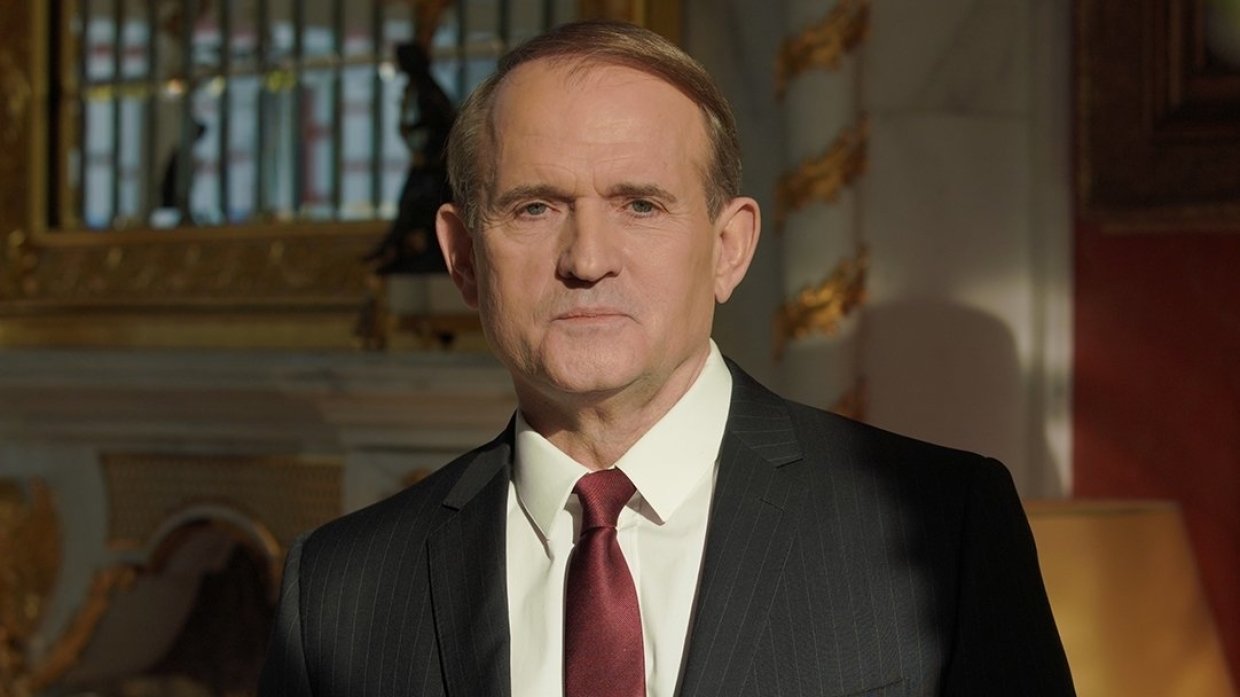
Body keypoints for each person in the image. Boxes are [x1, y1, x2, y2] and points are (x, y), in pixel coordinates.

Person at [259, 20, 1075, 697]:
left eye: (640, 205)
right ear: (463, 257)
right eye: (535, 207)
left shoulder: (945, 528)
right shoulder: (339, 590)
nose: (587, 258)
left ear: (729, 247)